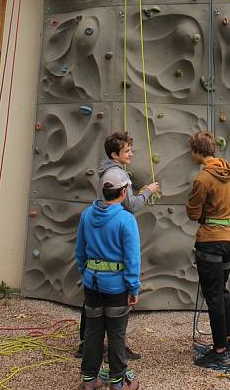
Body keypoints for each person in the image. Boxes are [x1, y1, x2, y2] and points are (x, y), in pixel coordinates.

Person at [76, 132, 159, 360]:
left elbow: (80, 252)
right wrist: (147, 192)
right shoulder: (117, 175)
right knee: (114, 314)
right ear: (115, 154)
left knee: (93, 302)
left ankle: (88, 350)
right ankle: (116, 358)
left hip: (96, 260)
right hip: (115, 231)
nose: (131, 153)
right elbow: (130, 206)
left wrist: (86, 270)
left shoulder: (106, 173)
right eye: (127, 151)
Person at [75, 169, 141, 390]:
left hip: (91, 284)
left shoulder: (87, 214)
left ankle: (89, 380)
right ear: (123, 191)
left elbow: (80, 251)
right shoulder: (126, 219)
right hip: (117, 288)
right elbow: (132, 258)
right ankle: (118, 382)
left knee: (92, 331)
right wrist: (134, 287)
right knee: (116, 334)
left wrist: (87, 272)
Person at [186, 131, 230, 368]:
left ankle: (218, 350)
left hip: (211, 240)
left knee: (213, 295)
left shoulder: (202, 179)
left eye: (192, 151)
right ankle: (227, 339)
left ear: (197, 152)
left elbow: (193, 213)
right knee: (222, 291)